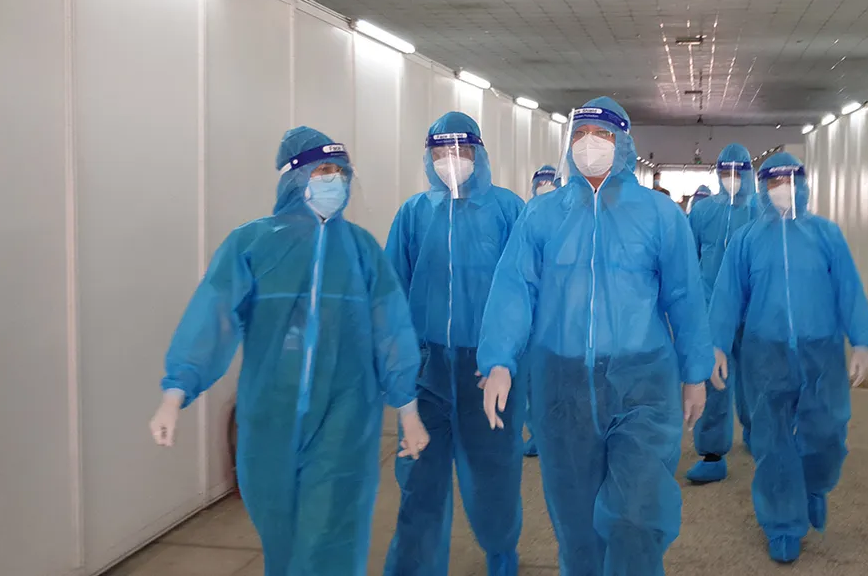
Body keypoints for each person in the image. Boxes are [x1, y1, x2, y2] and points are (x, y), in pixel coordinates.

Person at [148, 126, 430, 576]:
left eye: (341, 172)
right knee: (280, 533)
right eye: (323, 170)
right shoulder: (251, 244)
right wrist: (176, 390)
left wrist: (408, 410)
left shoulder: (361, 250)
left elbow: (390, 329)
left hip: (345, 415)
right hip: (270, 416)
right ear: (294, 177)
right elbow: (211, 317)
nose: (335, 181)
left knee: (329, 534)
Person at [477, 97, 714, 576]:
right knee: (576, 519)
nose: (590, 144)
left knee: (636, 512)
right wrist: (499, 359)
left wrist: (695, 373)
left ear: (624, 143)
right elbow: (515, 288)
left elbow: (685, 296)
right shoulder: (542, 215)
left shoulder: (659, 215)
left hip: (642, 386)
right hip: (562, 387)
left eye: (602, 135)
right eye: (581, 133)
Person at [709, 152, 868, 563]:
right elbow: (728, 294)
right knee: (773, 440)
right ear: (762, 188)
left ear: (802, 184)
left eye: (788, 181)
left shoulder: (826, 234)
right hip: (766, 353)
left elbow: (848, 288)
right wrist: (716, 344)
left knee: (827, 432)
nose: (781, 189)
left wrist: (861, 342)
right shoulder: (747, 240)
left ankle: (814, 485)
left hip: (821, 350)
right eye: (773, 182)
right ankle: (782, 523)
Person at [384, 112, 525, 576]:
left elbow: (525, 290)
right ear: (428, 157)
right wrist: (399, 364)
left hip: (487, 367)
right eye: (441, 152)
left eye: (461, 151)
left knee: (493, 471)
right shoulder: (413, 214)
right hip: (427, 367)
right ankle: (414, 566)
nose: (451, 161)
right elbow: (392, 292)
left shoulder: (508, 210)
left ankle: (501, 549)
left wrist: (506, 355)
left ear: (479, 154)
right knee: (419, 475)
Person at [684, 144, 758, 484]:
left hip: (753, 308)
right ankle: (712, 454)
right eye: (725, 172)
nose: (731, 178)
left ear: (748, 173)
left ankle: (758, 430)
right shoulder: (702, 212)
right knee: (714, 379)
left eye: (737, 172)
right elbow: (689, 257)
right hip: (712, 306)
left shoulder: (760, 211)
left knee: (756, 377)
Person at [521, 165, 561, 458]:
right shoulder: (526, 220)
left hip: (562, 317)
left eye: (551, 185)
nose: (545, 191)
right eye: (540, 186)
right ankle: (538, 432)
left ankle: (560, 432)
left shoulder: (572, 222)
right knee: (533, 382)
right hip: (531, 317)